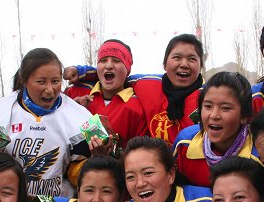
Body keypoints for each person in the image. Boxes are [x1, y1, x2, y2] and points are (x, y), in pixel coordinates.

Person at [0, 48, 93, 197]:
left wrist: (99, 154)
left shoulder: (80, 115)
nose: (50, 90)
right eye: (41, 82)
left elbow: (96, 166)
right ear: (24, 80)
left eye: (55, 81)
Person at [67, 34, 204, 145]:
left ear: (201, 65)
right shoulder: (146, 84)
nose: (184, 64)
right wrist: (80, 71)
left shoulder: (208, 98)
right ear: (164, 64)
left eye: (192, 59)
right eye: (177, 57)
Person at [173, 72, 261, 187]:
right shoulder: (184, 143)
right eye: (208, 106)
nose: (214, 115)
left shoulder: (259, 154)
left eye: (225, 108)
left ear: (244, 116)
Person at [63, 39, 148, 150]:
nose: (108, 66)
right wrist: (71, 109)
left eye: (116, 61)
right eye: (103, 60)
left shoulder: (136, 108)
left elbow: (139, 154)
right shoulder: (76, 93)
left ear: (127, 69)